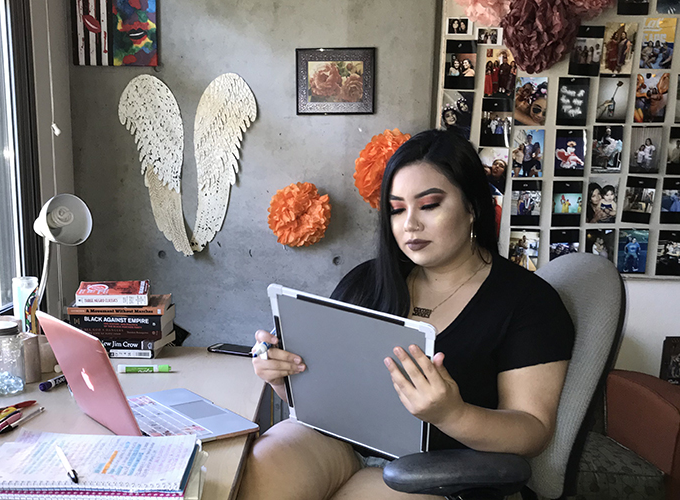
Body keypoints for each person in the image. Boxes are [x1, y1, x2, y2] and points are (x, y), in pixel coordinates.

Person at [239, 130, 575, 500]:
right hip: (343, 443)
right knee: (258, 472)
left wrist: (452, 413)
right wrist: (284, 378)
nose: (409, 224)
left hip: (440, 470)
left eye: (429, 205)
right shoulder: (367, 281)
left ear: (473, 206)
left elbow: (533, 431)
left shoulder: (528, 302)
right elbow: (333, 394)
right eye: (397, 209)